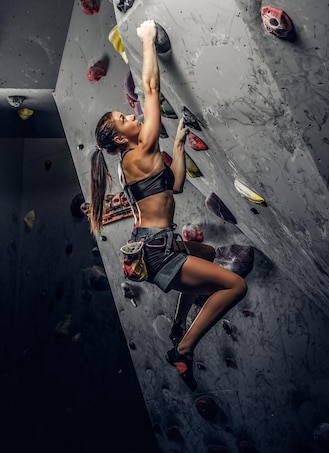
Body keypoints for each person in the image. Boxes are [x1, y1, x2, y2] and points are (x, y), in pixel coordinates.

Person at [88, 20, 247, 391]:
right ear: (118, 137)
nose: (132, 117)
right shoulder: (137, 151)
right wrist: (145, 40)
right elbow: (151, 87)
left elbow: (174, 186)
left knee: (206, 252)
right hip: (158, 252)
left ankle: (179, 323)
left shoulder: (137, 160)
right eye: (124, 119)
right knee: (236, 287)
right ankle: (184, 349)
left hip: (155, 244)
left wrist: (176, 145)